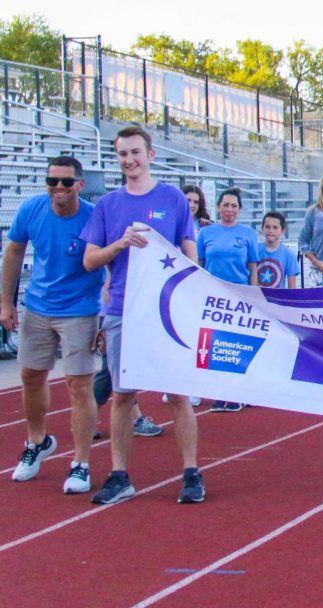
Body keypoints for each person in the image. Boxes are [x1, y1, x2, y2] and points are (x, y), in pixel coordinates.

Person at [81, 126, 203, 505]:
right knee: (122, 394)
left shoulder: (172, 198)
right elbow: (89, 260)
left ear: (150, 154)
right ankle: (119, 475)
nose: (129, 160)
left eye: (135, 152)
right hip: (122, 309)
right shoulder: (107, 205)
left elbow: (190, 253)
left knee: (178, 393)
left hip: (165, 311)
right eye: (122, 154)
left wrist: (185, 292)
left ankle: (191, 472)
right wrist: (119, 244)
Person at [1, 156, 105, 493]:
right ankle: (37, 442)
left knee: (79, 384)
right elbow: (14, 252)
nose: (57, 188)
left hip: (80, 309)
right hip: (38, 306)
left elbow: (109, 263)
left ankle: (81, 462)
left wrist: (104, 313)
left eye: (64, 181)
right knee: (31, 375)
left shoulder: (94, 217)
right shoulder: (31, 210)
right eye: (52, 182)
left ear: (79, 183)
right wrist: (6, 302)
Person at [197, 188, 259, 412]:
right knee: (214, 343)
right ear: (218, 207)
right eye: (226, 205)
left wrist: (253, 295)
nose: (229, 209)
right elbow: (200, 264)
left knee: (236, 343)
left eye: (234, 206)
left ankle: (236, 393)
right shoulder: (205, 234)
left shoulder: (248, 234)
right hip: (213, 296)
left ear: (239, 210)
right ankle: (218, 392)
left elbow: (253, 266)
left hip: (239, 295)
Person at [258, 211, 300, 289]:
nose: (271, 230)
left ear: (283, 231)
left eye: (275, 227)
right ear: (262, 228)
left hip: (278, 299)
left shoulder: (289, 255)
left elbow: (292, 286)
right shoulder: (255, 251)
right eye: (267, 227)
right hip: (257, 298)